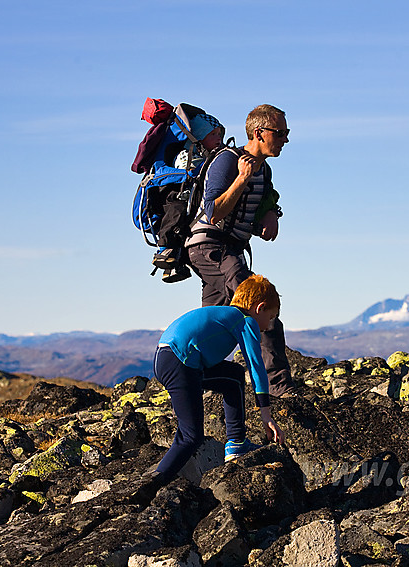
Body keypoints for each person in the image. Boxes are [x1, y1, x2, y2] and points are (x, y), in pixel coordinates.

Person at [185, 104, 297, 397]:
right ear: (259, 133)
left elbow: (260, 206)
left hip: (225, 249)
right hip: (212, 246)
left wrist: (271, 213)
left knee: (214, 318)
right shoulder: (227, 161)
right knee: (261, 306)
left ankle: (198, 381)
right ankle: (280, 388)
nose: (285, 139)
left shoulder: (265, 170)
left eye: (286, 133)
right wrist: (242, 178)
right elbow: (213, 212)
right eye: (280, 133)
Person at [150, 274, 287, 484]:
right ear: (259, 308)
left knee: (233, 376)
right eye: (271, 317)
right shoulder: (245, 320)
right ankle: (154, 484)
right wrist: (266, 414)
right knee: (190, 436)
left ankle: (236, 443)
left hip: (168, 358)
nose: (269, 326)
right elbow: (255, 364)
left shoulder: (226, 314)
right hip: (181, 362)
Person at [152, 112, 225, 282]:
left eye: (220, 134)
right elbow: (187, 173)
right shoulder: (188, 153)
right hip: (178, 195)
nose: (218, 138)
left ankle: (176, 264)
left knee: (185, 228)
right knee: (175, 215)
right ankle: (164, 249)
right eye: (213, 134)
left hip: (191, 198)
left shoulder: (208, 156)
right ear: (199, 136)